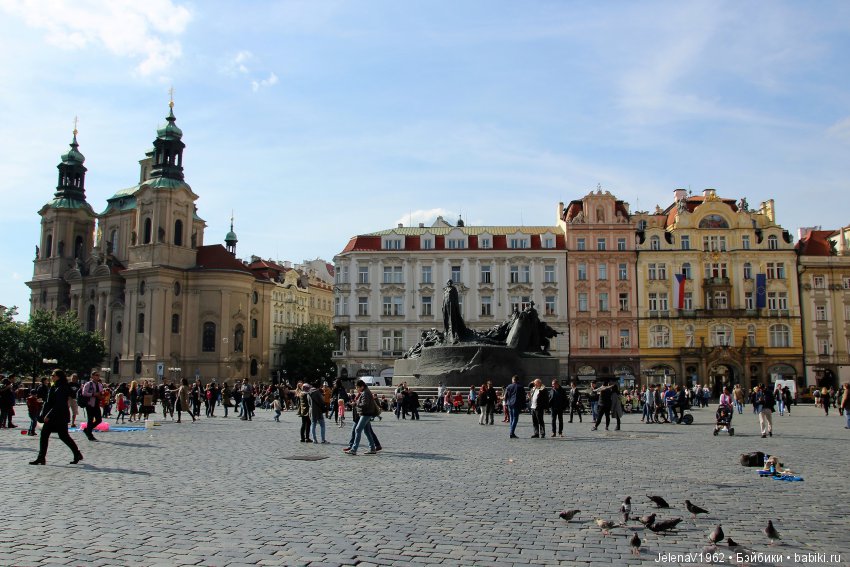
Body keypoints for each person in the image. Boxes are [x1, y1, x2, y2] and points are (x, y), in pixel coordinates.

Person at [29, 370, 83, 465]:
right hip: (55, 415)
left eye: (53, 375)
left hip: (58, 416)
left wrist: (48, 415)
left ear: (58, 377)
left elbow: (59, 404)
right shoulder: (55, 386)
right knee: (48, 435)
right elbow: (49, 402)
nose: (52, 376)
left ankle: (77, 453)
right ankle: (41, 457)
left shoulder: (62, 387)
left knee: (63, 436)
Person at [347, 380, 379, 456]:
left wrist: (356, 403)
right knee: (367, 431)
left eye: (357, 387)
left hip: (366, 414)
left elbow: (365, 404)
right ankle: (372, 448)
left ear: (362, 386)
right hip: (366, 413)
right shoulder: (365, 392)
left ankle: (354, 449)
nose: (357, 389)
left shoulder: (365, 393)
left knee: (357, 429)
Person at [81, 371, 104, 441]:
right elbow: (84, 393)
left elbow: (101, 392)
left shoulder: (100, 384)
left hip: (97, 404)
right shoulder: (88, 384)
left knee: (99, 420)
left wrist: (102, 396)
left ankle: (87, 430)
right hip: (90, 404)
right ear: (92, 376)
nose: (98, 376)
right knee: (90, 420)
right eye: (96, 375)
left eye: (98, 375)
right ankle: (90, 435)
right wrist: (93, 394)